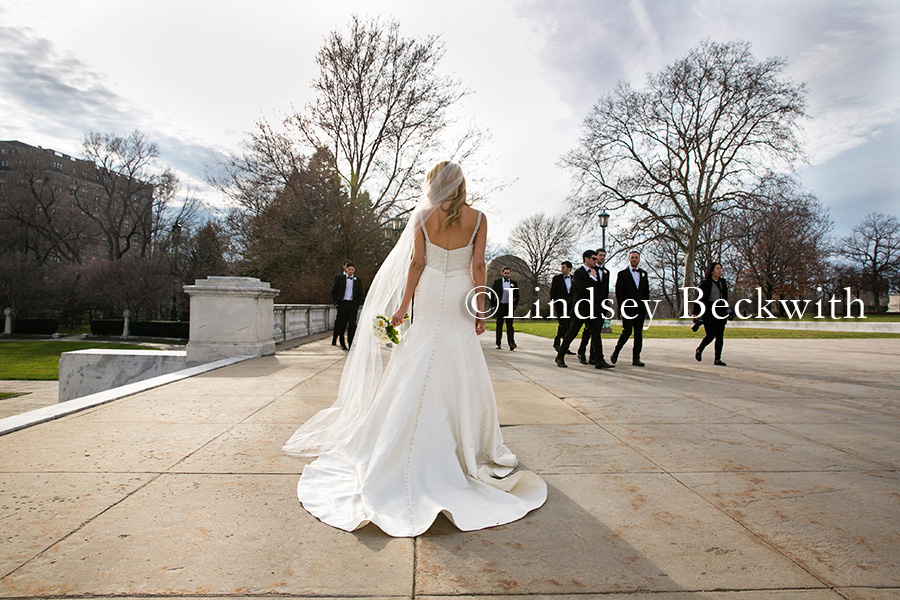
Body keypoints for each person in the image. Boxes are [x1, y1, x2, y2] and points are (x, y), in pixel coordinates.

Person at [283, 161, 546, 537]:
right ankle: (463, 446)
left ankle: (405, 438)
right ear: (461, 184)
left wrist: (403, 306)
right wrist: (480, 306)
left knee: (418, 359)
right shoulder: (478, 217)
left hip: (429, 291)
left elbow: (417, 263)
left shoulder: (423, 215)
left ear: (434, 184)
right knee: (459, 361)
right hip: (459, 292)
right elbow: (477, 264)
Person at [554, 250, 614, 369]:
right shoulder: (578, 273)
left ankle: (599, 360)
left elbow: (598, 291)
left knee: (596, 334)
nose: (596, 261)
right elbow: (583, 289)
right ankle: (560, 356)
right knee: (572, 333)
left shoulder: (595, 272)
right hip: (581, 308)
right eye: (594, 258)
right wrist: (591, 278)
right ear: (586, 259)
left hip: (593, 308)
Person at [612, 250, 650, 367]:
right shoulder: (622, 274)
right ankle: (616, 351)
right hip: (628, 308)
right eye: (632, 257)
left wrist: (645, 305)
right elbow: (619, 292)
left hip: (640, 309)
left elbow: (646, 292)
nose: (634, 259)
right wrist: (621, 308)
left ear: (639, 259)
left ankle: (636, 358)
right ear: (629, 259)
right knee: (627, 331)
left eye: (636, 258)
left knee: (638, 334)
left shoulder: (644, 274)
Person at [576, 248, 610, 364]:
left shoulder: (606, 272)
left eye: (603, 256)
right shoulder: (589, 270)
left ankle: (593, 356)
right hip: (589, 305)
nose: (601, 258)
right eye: (599, 255)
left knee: (596, 331)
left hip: (601, 305)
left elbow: (604, 290)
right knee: (588, 331)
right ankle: (582, 351)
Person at [694, 262, 729, 366]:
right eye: (717, 269)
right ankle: (700, 349)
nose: (720, 271)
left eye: (720, 269)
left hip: (720, 310)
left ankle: (717, 359)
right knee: (711, 334)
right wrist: (695, 313)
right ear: (712, 270)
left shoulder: (723, 282)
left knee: (720, 335)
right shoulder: (705, 283)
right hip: (709, 310)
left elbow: (725, 296)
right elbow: (698, 298)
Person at [331, 261, 363, 350]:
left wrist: (357, 303)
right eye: (349, 269)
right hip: (343, 304)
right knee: (342, 325)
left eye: (352, 269)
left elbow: (360, 293)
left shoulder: (358, 280)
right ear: (346, 269)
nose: (351, 271)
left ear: (354, 270)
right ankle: (342, 343)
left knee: (352, 325)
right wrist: (336, 302)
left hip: (353, 305)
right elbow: (334, 291)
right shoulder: (340, 278)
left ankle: (351, 342)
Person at [490, 267, 519, 350]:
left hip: (509, 306)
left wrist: (515, 305)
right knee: (499, 325)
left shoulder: (514, 283)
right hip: (500, 306)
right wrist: (493, 305)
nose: (507, 274)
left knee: (510, 326)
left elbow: (517, 296)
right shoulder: (497, 282)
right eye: (505, 273)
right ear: (502, 273)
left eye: (508, 273)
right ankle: (498, 343)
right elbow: (492, 295)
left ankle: (511, 343)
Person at [549, 261, 573, 352]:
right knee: (563, 324)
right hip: (560, 305)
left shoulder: (574, 279)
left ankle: (565, 346)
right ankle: (557, 341)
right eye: (561, 267)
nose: (561, 269)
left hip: (570, 306)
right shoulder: (557, 279)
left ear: (569, 269)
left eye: (564, 268)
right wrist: (554, 303)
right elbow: (553, 292)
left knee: (569, 327)